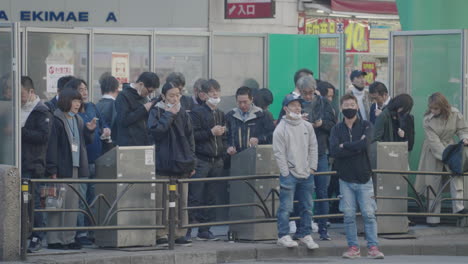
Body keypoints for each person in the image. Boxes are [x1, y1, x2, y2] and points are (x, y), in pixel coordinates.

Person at [329, 94, 384, 259]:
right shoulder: (336, 129)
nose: (349, 108)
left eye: (352, 105)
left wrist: (344, 145)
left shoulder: (367, 125)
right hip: (345, 178)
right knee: (348, 216)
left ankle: (373, 247)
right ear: (341, 108)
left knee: (369, 214)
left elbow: (364, 144)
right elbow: (334, 151)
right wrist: (353, 146)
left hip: (364, 177)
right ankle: (353, 247)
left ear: (357, 107)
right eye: (346, 105)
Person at [46, 88, 97, 250]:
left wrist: (90, 130)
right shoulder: (56, 119)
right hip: (61, 168)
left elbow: (83, 143)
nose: (77, 104)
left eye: (79, 101)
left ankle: (68, 238)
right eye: (75, 101)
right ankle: (54, 239)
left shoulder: (78, 120)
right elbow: (52, 146)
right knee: (57, 204)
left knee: (72, 204)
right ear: (66, 101)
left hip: (76, 167)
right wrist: (52, 170)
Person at [148, 81, 197, 247]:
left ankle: (179, 233)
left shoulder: (184, 113)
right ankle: (161, 233)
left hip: (182, 162)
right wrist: (169, 114)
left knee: (181, 201)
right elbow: (156, 132)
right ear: (163, 96)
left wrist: (192, 161)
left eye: (177, 95)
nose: (175, 98)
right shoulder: (156, 111)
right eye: (171, 95)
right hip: (163, 162)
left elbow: (191, 138)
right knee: (162, 200)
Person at [273, 94, 319, 250]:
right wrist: (286, 172)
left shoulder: (307, 126)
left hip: (306, 172)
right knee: (286, 207)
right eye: (293, 105)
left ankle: (305, 234)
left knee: (307, 206)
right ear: (285, 108)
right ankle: (283, 235)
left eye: (298, 105)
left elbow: (313, 147)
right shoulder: (280, 129)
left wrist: (312, 167)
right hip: (290, 174)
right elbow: (279, 153)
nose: (297, 107)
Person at [415, 92, 468, 226]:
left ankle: (459, 208)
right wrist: (447, 155)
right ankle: (433, 219)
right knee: (433, 182)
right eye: (431, 108)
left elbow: (462, 129)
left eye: (436, 108)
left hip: (450, 146)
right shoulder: (427, 119)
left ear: (443, 106)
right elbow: (434, 142)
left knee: (456, 176)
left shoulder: (455, 114)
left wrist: (464, 138)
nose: (433, 111)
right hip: (433, 152)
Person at [69, 78, 110, 245]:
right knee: (81, 198)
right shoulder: (72, 112)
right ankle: (81, 232)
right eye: (80, 89)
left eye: (85, 89)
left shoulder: (93, 107)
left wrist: (106, 129)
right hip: (81, 161)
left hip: (97, 159)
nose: (84, 93)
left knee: (94, 198)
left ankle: (93, 231)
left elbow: (103, 123)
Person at [297, 76, 336, 240]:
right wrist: (298, 121)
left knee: (322, 191)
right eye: (305, 93)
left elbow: (333, 123)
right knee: (302, 192)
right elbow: (284, 123)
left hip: (320, 151)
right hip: (300, 153)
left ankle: (323, 228)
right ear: (299, 91)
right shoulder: (294, 103)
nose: (307, 96)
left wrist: (321, 124)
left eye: (311, 93)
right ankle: (302, 228)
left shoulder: (323, 102)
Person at [188, 79, 227, 241]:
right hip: (201, 159)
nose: (215, 95)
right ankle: (187, 229)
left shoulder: (221, 114)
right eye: (212, 92)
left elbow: (225, 137)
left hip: (217, 160)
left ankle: (205, 229)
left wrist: (223, 149)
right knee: (195, 196)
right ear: (203, 95)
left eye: (217, 91)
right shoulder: (196, 113)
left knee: (211, 196)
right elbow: (192, 137)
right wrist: (210, 132)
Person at [20, 76, 54, 252]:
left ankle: (36, 236)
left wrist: (21, 132)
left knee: (32, 202)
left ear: (31, 92)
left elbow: (43, 137)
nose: (18, 98)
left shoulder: (41, 111)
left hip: (33, 164)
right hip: (17, 164)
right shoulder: (16, 109)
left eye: (21, 94)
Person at [225, 86, 274, 155]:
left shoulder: (262, 115)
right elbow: (224, 137)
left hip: (257, 157)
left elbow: (272, 135)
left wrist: (259, 139)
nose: (242, 105)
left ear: (251, 100)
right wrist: (228, 147)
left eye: (245, 102)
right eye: (239, 102)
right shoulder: (230, 116)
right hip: (234, 157)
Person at [115, 72, 159, 146]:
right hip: (129, 144)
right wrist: (144, 109)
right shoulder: (123, 96)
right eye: (149, 91)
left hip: (145, 142)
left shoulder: (144, 97)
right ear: (141, 84)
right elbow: (124, 120)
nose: (149, 94)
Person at [96, 75, 119, 153]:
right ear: (116, 89)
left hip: (98, 147)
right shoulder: (116, 105)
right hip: (112, 147)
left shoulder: (95, 105)